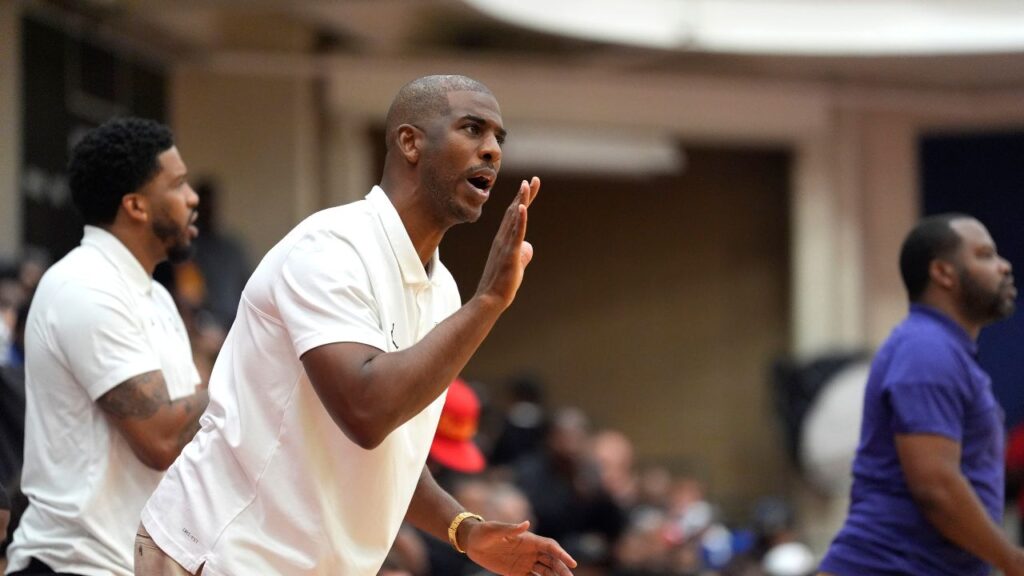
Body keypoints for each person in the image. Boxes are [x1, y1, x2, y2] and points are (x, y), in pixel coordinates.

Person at [136, 75, 576, 576]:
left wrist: (466, 530)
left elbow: (391, 458)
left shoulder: (444, 292)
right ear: (410, 142)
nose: (492, 150)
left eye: (499, 138)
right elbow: (366, 412)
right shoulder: (332, 249)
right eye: (473, 129)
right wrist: (490, 301)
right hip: (219, 550)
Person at [5, 118, 209, 576]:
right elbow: (161, 437)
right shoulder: (86, 286)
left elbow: (194, 433)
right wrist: (252, 370)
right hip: (74, 566)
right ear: (135, 206)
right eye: (177, 185)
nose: (193, 198)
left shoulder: (153, 296)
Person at [818, 214, 1019, 576]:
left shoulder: (943, 350)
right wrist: (1011, 560)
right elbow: (935, 487)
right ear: (944, 273)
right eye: (986, 255)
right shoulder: (927, 349)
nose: (1004, 266)